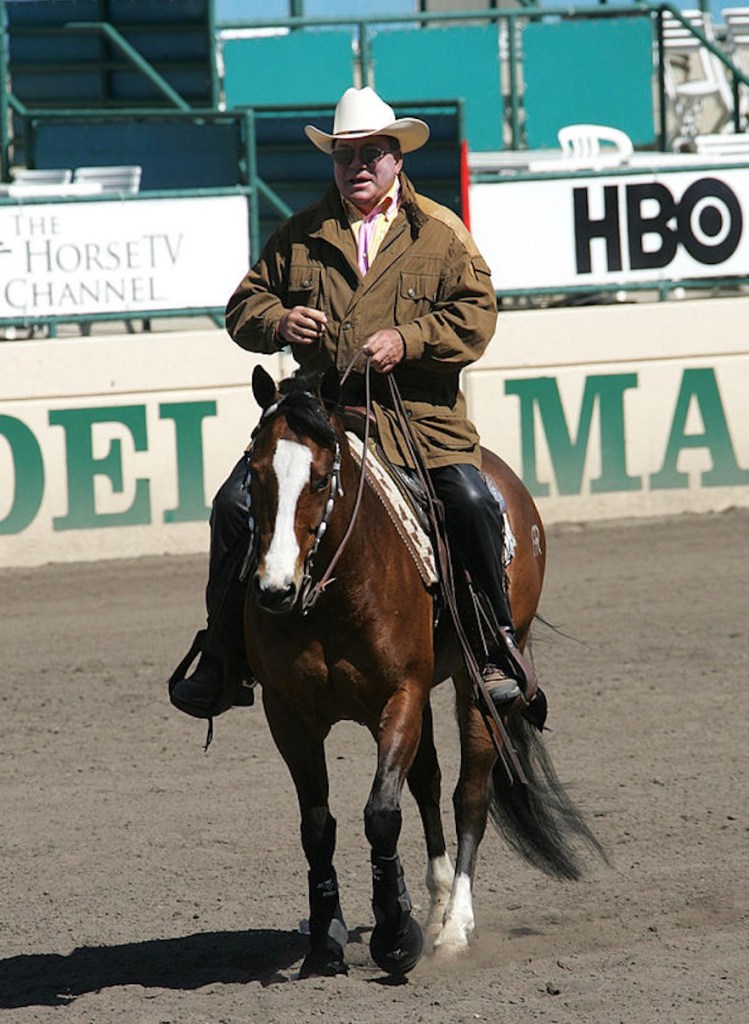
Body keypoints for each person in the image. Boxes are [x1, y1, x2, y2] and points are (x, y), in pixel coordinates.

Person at [169, 86, 536, 722]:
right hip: (318, 416)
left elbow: (477, 317)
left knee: (472, 502)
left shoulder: (442, 234)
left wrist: (409, 339)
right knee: (233, 505)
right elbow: (243, 308)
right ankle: (224, 655)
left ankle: (494, 648)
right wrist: (279, 321)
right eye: (345, 155)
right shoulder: (299, 235)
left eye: (371, 154)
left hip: (416, 419)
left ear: (398, 159)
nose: (357, 166)